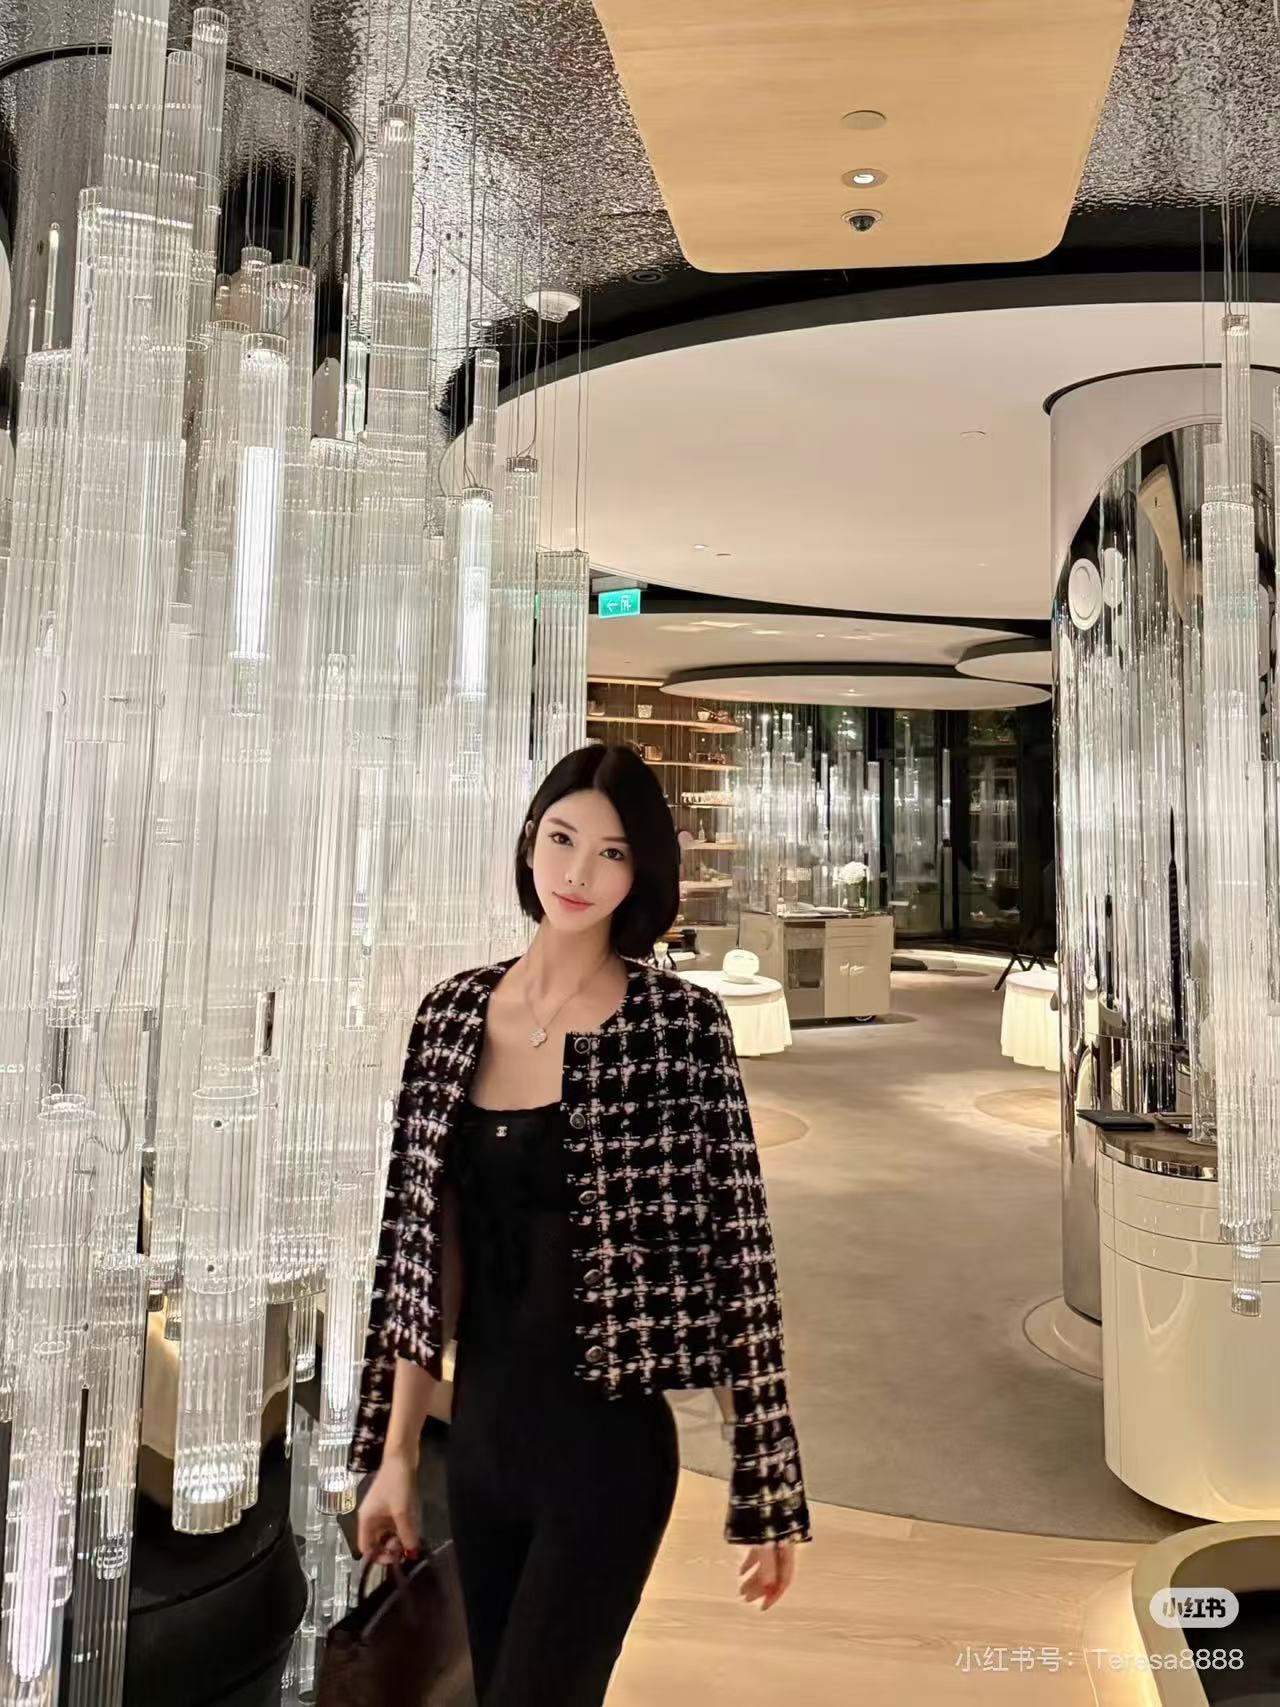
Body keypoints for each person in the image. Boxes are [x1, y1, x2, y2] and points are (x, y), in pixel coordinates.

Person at [352, 742, 811, 1706]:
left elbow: (737, 1257)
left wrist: (764, 1475)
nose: (578, 872)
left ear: (640, 871)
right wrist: (395, 1457)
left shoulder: (677, 1029)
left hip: (607, 1455)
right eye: (562, 839)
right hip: (480, 1446)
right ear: (530, 841)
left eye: (611, 852)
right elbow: (420, 1263)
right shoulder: (449, 1016)